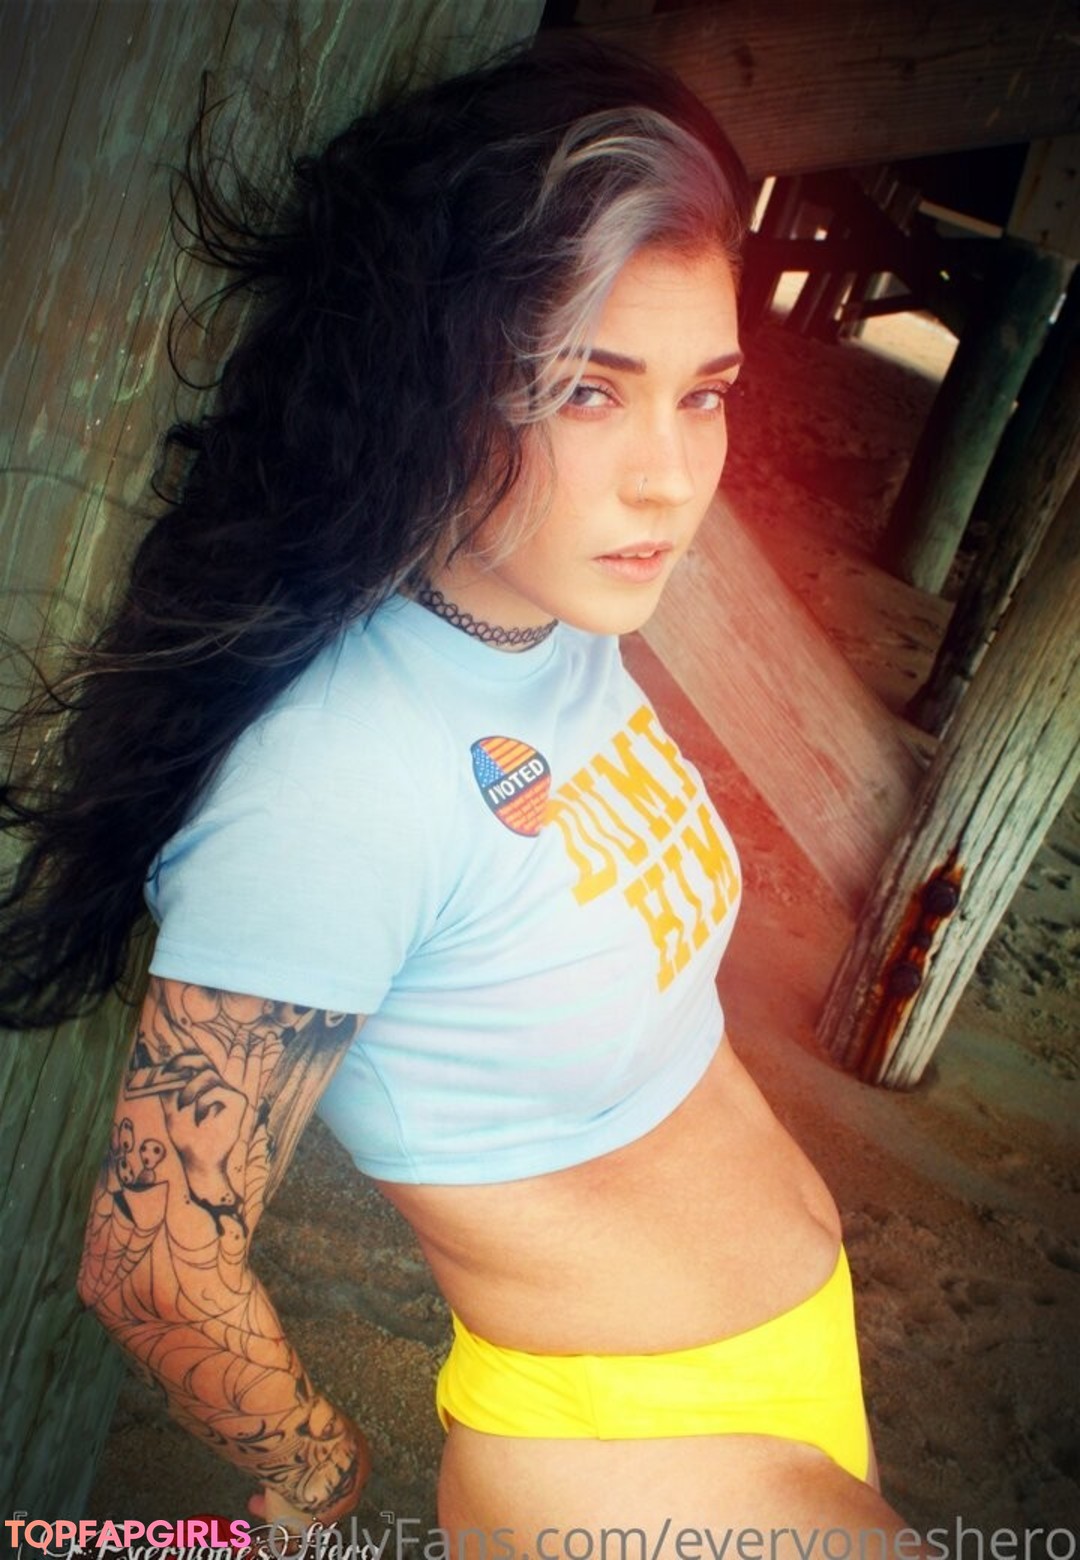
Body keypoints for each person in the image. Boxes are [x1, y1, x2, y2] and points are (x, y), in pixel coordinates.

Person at [1, 35, 917, 1547]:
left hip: (791, 1364)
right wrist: (317, 1474)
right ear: (431, 381)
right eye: (587, 390)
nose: (670, 477)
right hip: (632, 1456)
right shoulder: (336, 775)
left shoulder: (555, 617)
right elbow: (156, 1257)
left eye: (704, 393)